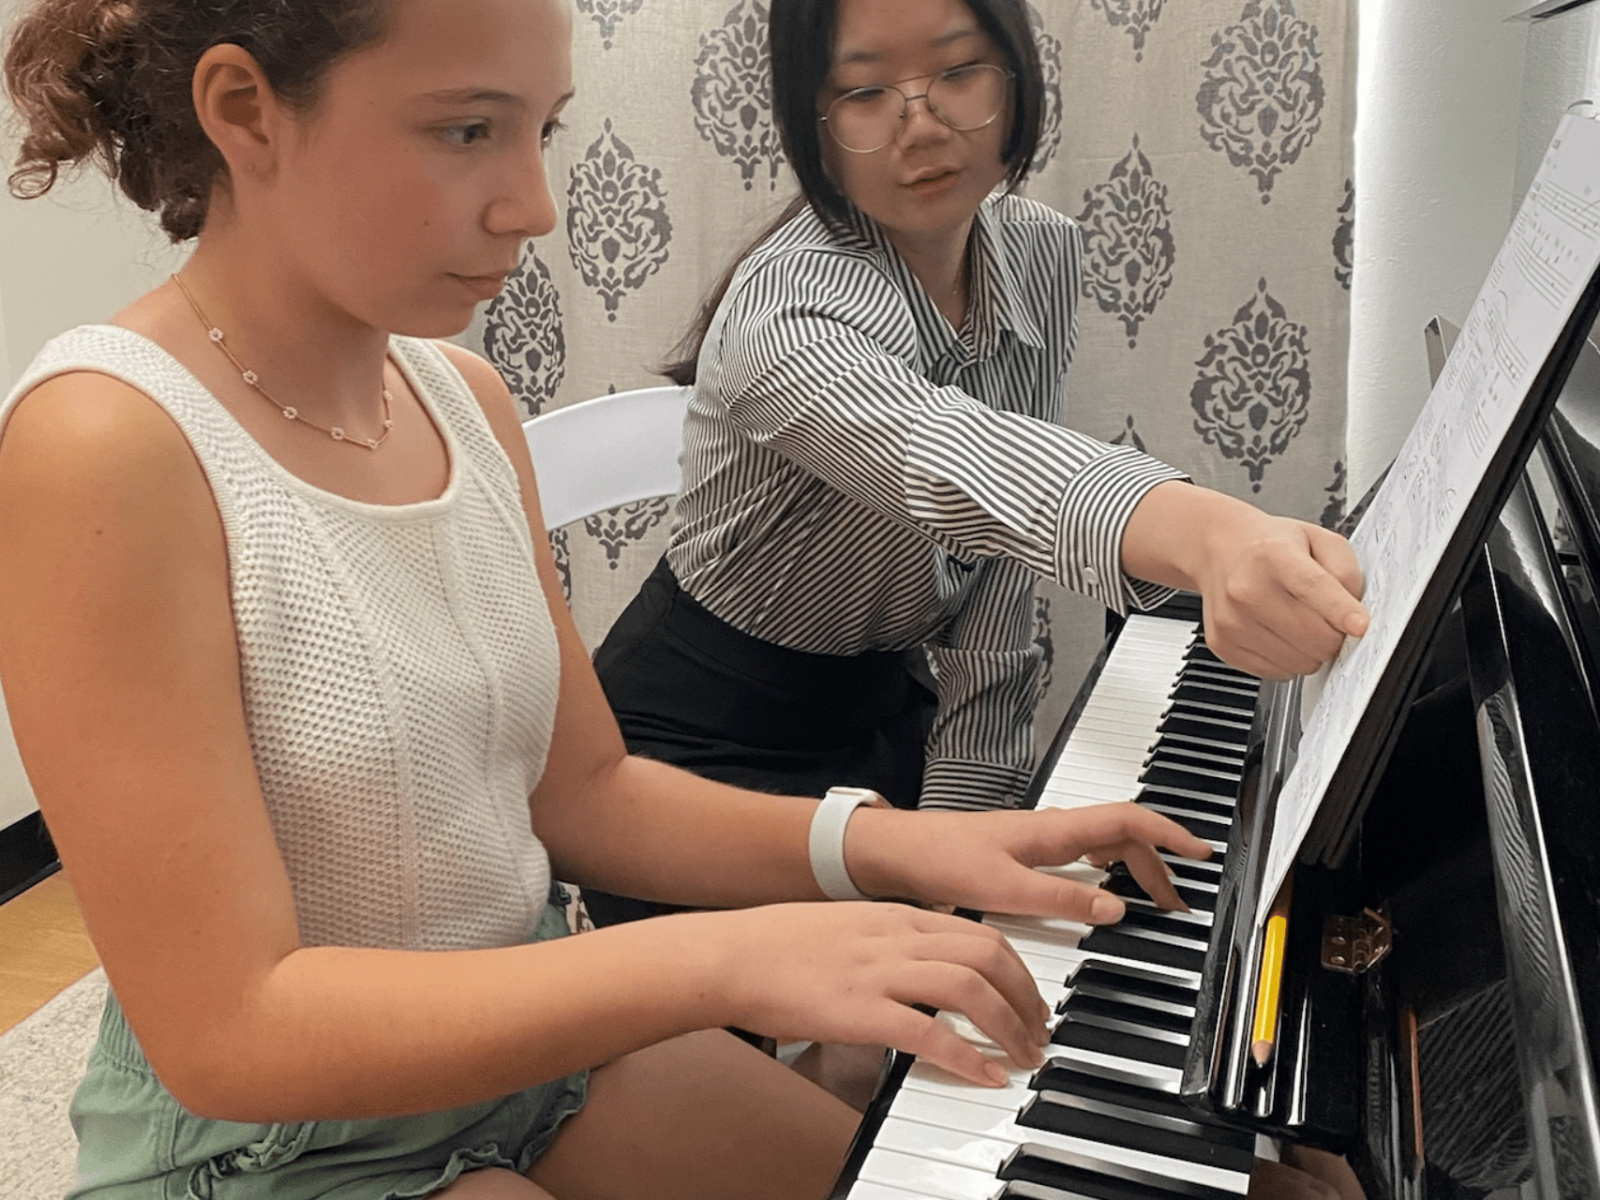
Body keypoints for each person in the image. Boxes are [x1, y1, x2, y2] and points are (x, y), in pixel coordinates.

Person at [0, 1, 1239, 1198]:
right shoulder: (106, 444)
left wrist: (914, 845)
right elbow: (232, 1033)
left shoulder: (461, 400)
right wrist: (726, 960)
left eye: (542, 131)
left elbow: (585, 793)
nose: (532, 206)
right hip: (276, 1143)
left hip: (528, 1038)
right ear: (244, 110)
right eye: (466, 130)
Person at [586, 0, 1370, 928]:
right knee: (838, 1040)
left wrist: (967, 886)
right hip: (694, 757)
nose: (922, 124)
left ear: (1016, 78)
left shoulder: (1035, 253)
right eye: (867, 91)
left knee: (956, 991)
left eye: (958, 73)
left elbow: (996, 592)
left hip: (877, 715)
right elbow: (958, 465)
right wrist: (1212, 533)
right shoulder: (782, 322)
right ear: (815, 124)